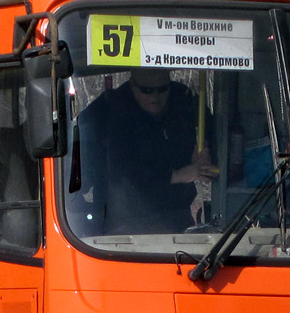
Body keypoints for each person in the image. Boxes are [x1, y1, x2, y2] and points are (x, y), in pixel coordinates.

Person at [76, 68, 213, 234]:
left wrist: (206, 152)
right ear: (132, 84)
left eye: (162, 89)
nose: (155, 97)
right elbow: (121, 170)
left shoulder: (184, 100)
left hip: (176, 216)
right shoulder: (109, 111)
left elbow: (218, 133)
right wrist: (178, 175)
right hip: (123, 222)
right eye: (146, 90)